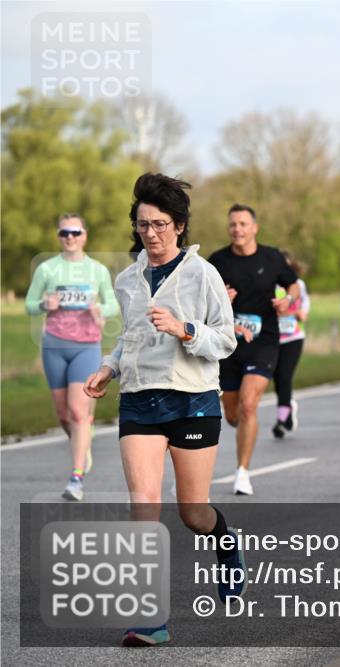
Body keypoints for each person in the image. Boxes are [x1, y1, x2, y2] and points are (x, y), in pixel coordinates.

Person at [83, 173, 243, 646]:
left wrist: (185, 329)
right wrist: (110, 367)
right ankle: (151, 618)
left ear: (179, 226)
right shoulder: (128, 279)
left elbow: (226, 339)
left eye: (159, 224)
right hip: (139, 398)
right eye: (142, 225)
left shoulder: (202, 274)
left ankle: (227, 546)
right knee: (143, 508)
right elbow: (129, 335)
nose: (149, 233)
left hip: (192, 399)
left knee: (192, 512)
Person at [25, 213, 118, 501]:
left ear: (84, 235)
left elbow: (113, 303)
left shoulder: (97, 270)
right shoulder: (47, 269)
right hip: (54, 346)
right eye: (65, 233)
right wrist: (44, 303)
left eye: (75, 232)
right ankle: (83, 442)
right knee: (64, 415)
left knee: (79, 411)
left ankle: (76, 477)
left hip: (86, 347)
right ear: (59, 236)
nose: (70, 237)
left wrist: (101, 310)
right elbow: (29, 305)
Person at [209, 204, 299, 495]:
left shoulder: (271, 257)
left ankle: (242, 473)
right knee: (233, 414)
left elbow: (293, 285)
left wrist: (286, 301)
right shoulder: (217, 261)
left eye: (243, 224)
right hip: (228, 344)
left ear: (254, 228)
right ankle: (242, 429)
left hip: (264, 341)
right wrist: (221, 299)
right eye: (233, 224)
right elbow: (201, 300)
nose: (238, 229)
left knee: (250, 404)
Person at [271, 251, 310, 439]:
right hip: (272, 338)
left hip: (293, 338)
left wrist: (289, 313)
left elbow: (304, 314)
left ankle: (281, 420)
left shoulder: (298, 285)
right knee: (277, 378)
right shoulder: (268, 285)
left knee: (285, 376)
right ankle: (287, 407)